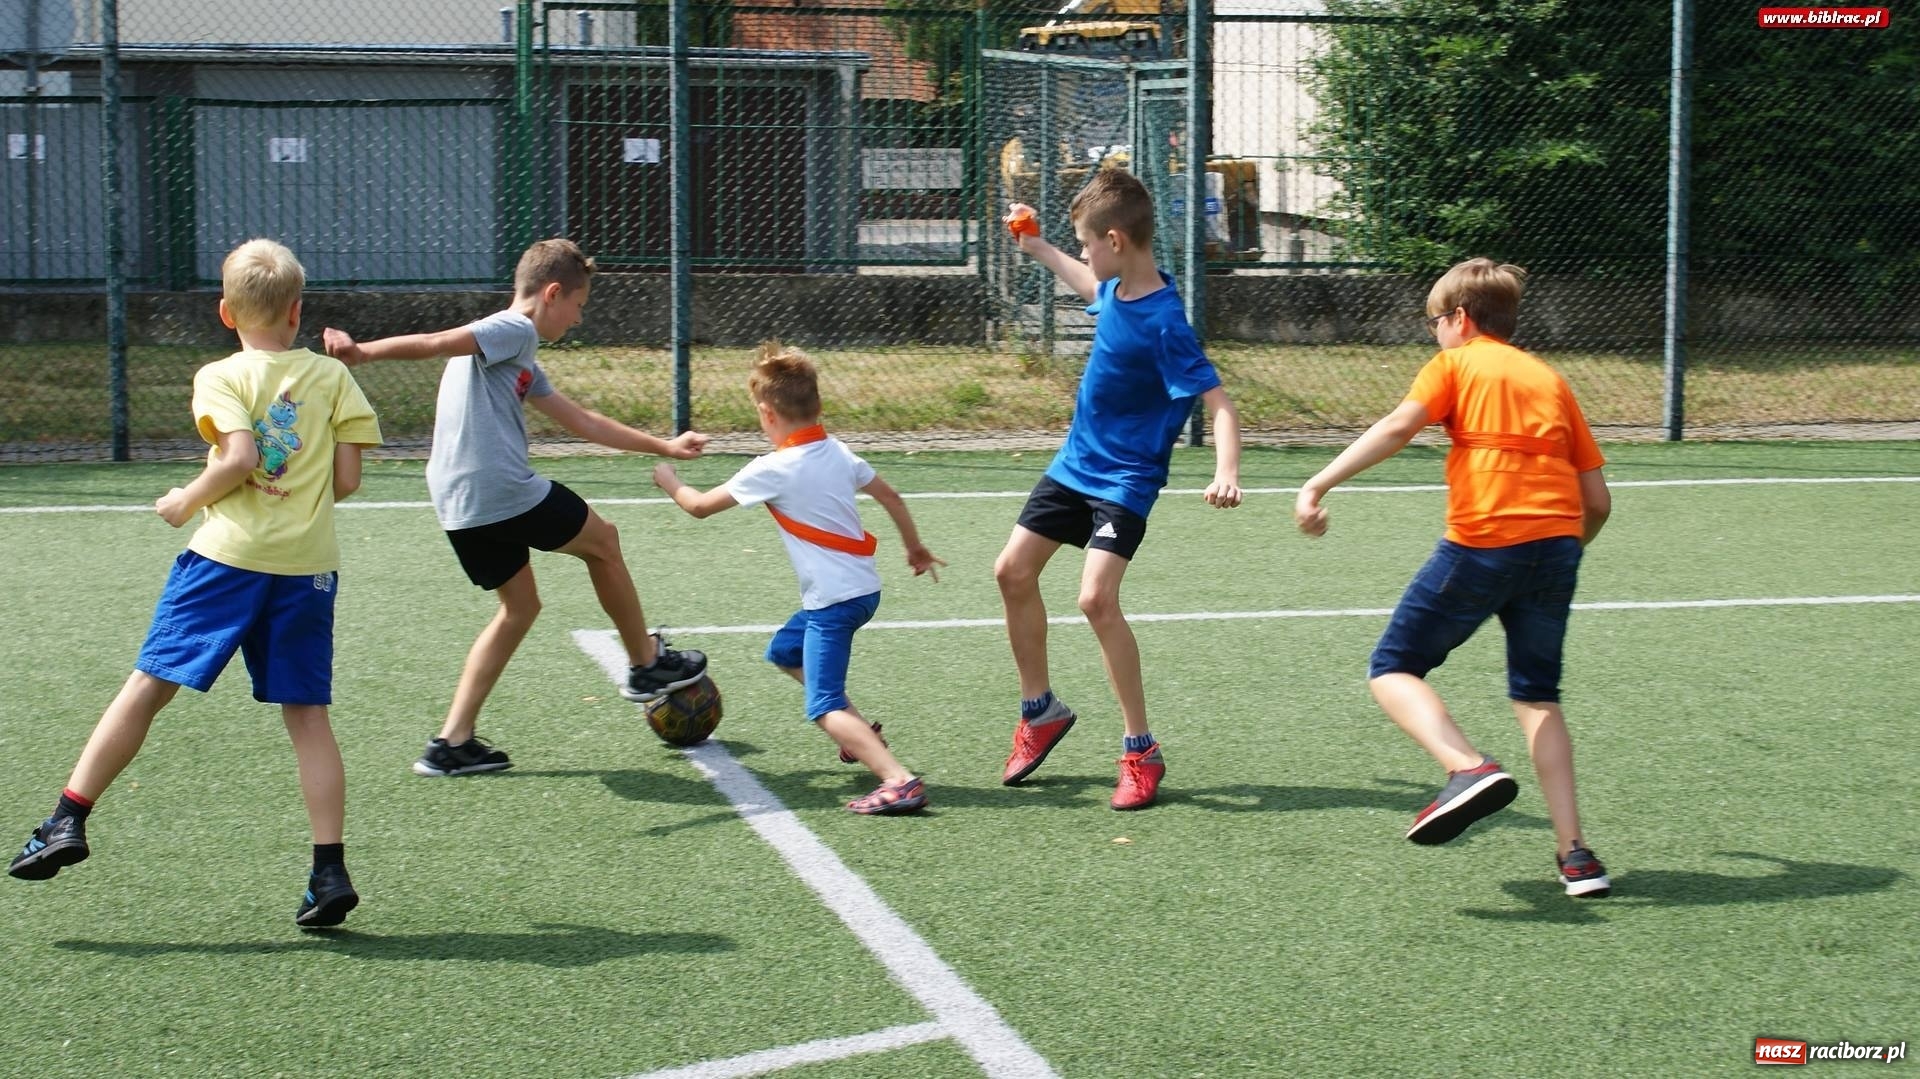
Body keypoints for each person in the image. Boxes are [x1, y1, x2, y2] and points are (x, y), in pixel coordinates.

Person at [9, 238, 384, 927]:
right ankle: (328, 869)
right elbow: (349, 480)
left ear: (225, 312)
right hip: (307, 567)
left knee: (150, 684)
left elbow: (239, 456)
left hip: (227, 557)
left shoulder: (221, 375)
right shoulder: (334, 378)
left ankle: (68, 816)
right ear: (298, 311)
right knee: (307, 717)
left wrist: (186, 499)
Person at [322, 238, 709, 778]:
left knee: (520, 607)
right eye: (578, 305)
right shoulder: (514, 330)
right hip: (497, 488)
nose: (578, 319)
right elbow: (436, 342)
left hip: (458, 502)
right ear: (552, 293)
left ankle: (451, 742)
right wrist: (361, 354)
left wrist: (664, 446)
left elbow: (583, 422)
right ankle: (645, 665)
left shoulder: (516, 353)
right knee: (604, 540)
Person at [1293, 257, 1613, 898]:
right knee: (1537, 698)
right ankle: (1576, 855)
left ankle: (1467, 768)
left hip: (1485, 543)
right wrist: (1557, 555)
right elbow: (1597, 501)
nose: (1434, 334)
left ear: (1460, 320)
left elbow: (1398, 427)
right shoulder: (1550, 378)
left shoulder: (1456, 363)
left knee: (1393, 667)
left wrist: (1319, 481)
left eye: (1436, 322)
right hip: (1556, 550)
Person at [997, 169, 1244, 811]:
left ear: (1115, 239)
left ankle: (1141, 750)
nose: (1083, 254)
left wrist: (1226, 471)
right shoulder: (1113, 287)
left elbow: (1218, 404)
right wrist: (1039, 246)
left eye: (1085, 243)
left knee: (1095, 599)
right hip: (1074, 467)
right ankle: (1040, 710)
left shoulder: (1165, 320)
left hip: (1125, 481)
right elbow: (1087, 283)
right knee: (1011, 573)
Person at [652, 341, 945, 814]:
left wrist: (668, 477)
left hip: (833, 601)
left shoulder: (773, 468)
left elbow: (699, 506)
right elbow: (890, 496)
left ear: (767, 415)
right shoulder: (838, 451)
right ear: (819, 407)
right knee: (785, 651)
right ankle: (861, 735)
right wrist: (914, 548)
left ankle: (898, 779)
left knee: (822, 704)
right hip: (862, 590)